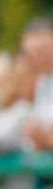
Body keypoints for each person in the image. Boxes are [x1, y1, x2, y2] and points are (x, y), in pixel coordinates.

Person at [21, 18, 53, 150]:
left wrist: (45, 139)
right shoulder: (43, 81)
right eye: (32, 54)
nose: (39, 58)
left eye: (44, 50)